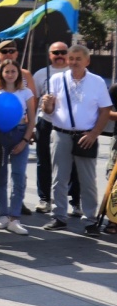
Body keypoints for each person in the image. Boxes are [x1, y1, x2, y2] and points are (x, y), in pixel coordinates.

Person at [40, 44, 112, 236]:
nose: (73, 62)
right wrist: (47, 105)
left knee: (87, 181)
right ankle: (59, 217)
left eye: (78, 59)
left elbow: (105, 110)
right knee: (59, 178)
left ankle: (90, 221)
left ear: (87, 61)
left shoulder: (97, 82)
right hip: (61, 133)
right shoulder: (56, 79)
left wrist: (94, 134)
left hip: (86, 136)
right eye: (71, 58)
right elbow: (48, 111)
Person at [0, 61, 35, 235]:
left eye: (13, 71)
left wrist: (24, 140)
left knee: (18, 177)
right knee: (0, 177)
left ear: (18, 74)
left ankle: (14, 218)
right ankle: (3, 215)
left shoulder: (26, 93)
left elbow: (32, 120)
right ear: (1, 74)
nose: (10, 74)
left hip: (19, 134)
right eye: (7, 71)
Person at [32, 42, 77, 215]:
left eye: (63, 52)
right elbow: (34, 101)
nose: (59, 55)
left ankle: (75, 201)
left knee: (73, 163)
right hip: (46, 122)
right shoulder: (40, 74)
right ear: (49, 55)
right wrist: (32, 126)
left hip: (69, 124)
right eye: (55, 52)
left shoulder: (75, 72)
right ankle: (44, 199)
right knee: (43, 161)